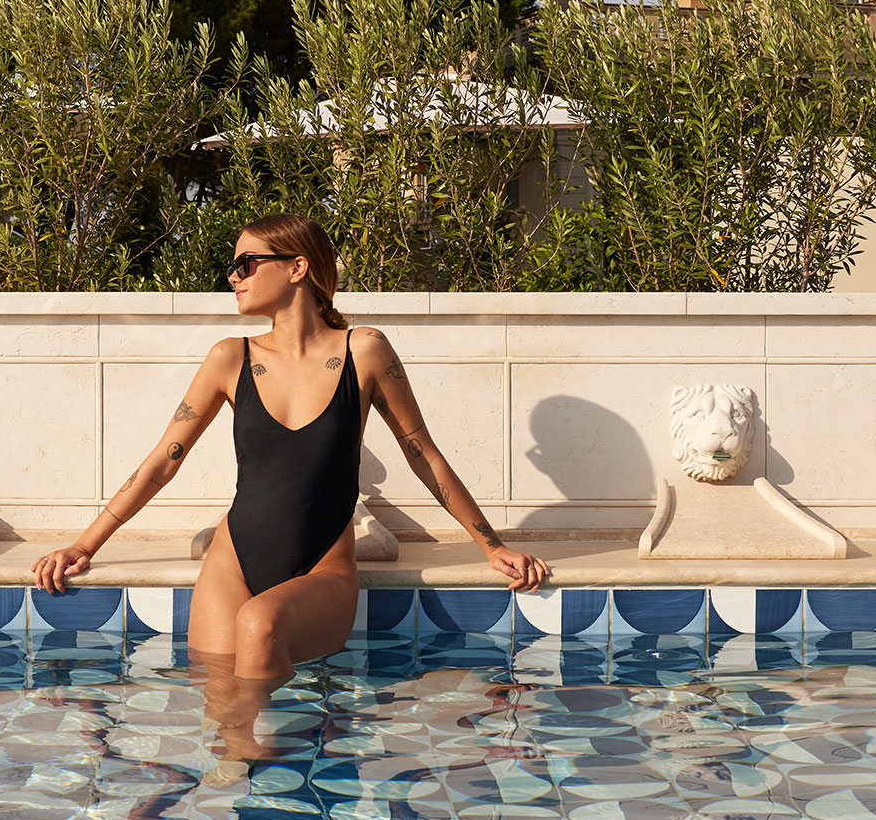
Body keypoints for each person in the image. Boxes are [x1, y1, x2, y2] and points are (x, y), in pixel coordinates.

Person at [31, 213, 551, 688]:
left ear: (298, 267)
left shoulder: (364, 350)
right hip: (232, 561)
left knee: (260, 627)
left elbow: (422, 453)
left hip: (323, 566)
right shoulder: (229, 358)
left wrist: (492, 547)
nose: (234, 277)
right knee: (220, 709)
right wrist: (83, 546)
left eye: (247, 264)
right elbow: (162, 461)